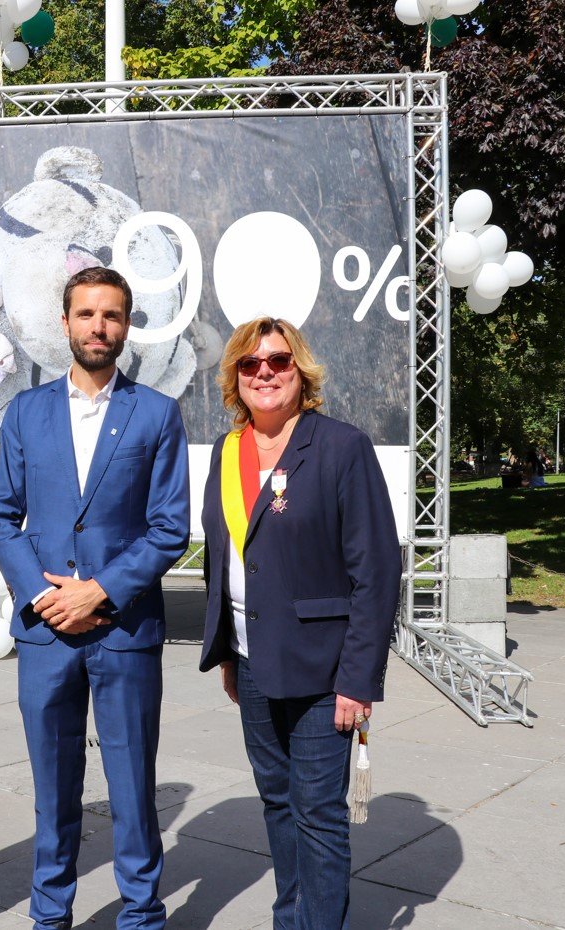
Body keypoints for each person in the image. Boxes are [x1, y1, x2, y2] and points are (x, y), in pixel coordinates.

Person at [0, 266, 190, 930]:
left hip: (123, 632)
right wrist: (45, 599)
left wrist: (100, 590)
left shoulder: (157, 414)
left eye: (111, 315)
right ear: (65, 322)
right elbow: (2, 521)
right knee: (53, 790)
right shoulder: (25, 411)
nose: (99, 326)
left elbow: (169, 528)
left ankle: (140, 915)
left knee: (132, 789)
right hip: (47, 633)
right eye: (86, 314)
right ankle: (51, 917)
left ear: (126, 325)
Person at [198, 317, 401, 930]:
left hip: (324, 668)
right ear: (235, 375)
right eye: (250, 364)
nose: (265, 372)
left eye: (278, 361)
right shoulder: (227, 450)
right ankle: (292, 917)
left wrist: (358, 678)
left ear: (300, 370)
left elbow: (377, 569)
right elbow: (225, 556)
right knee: (278, 803)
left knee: (317, 810)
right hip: (254, 663)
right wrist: (229, 651)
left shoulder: (340, 446)